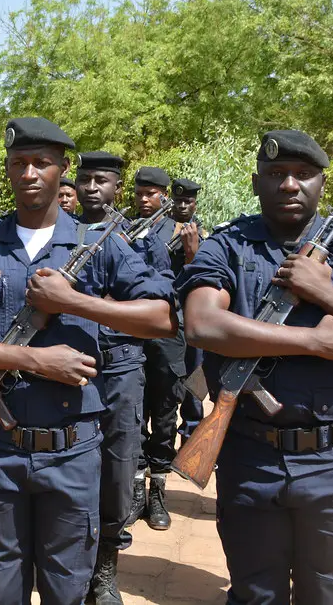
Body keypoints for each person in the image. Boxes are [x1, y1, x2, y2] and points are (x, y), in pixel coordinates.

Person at [0, 118, 176, 605]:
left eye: (42, 163)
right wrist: (35, 360)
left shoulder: (96, 243)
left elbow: (161, 317)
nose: (29, 173)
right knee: (3, 585)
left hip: (73, 451)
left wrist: (76, 303)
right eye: (19, 163)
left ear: (63, 170)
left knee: (67, 587)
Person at [177, 129, 333, 604]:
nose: (290, 184)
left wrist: (328, 294)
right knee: (253, 594)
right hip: (250, 455)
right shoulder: (229, 246)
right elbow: (202, 324)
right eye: (276, 174)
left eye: (304, 174)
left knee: (327, 595)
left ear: (321, 185)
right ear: (256, 183)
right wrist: (312, 340)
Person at [73, 151, 150, 604]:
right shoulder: (61, 235)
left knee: (118, 467)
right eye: (84, 179)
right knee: (73, 467)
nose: (91, 188)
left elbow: (161, 311)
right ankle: (74, 563)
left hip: (120, 364)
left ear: (117, 188)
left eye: (101, 180)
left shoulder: (138, 240)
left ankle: (106, 568)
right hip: (74, 365)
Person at [127, 166, 185, 531]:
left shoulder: (182, 231)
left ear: (165, 194)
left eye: (151, 193)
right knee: (134, 413)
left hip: (168, 336)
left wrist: (192, 255)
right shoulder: (124, 229)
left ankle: (158, 490)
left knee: (165, 414)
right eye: (139, 193)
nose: (145, 199)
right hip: (132, 333)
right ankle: (135, 490)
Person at [168, 178, 207, 444]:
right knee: (167, 385)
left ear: (195, 204)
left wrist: (193, 252)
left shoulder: (205, 236)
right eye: (178, 200)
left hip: (193, 316)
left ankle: (192, 440)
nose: (182, 206)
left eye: (188, 201)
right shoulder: (160, 231)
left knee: (195, 382)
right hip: (169, 317)